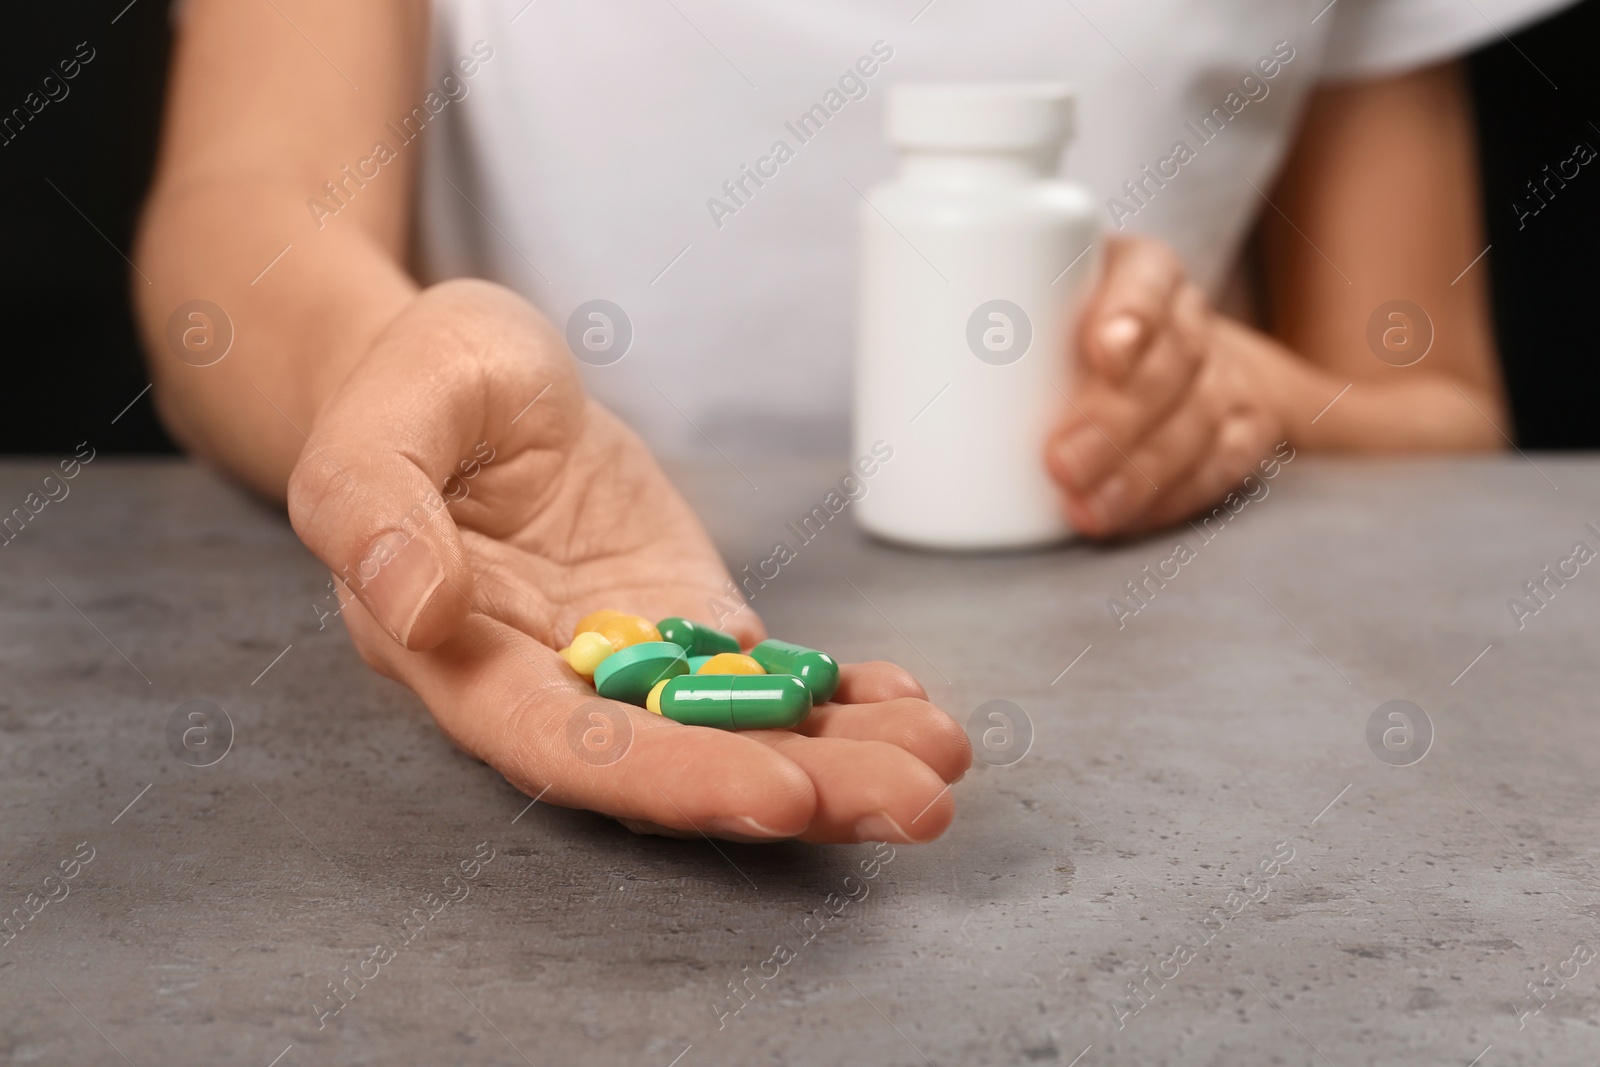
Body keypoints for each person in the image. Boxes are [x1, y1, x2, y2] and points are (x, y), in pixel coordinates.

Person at [132, 0, 1569, 843]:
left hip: (1167, 712)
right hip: (539, 549)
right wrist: (387, 376)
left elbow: (1434, 400)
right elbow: (241, 210)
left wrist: (1249, 398)